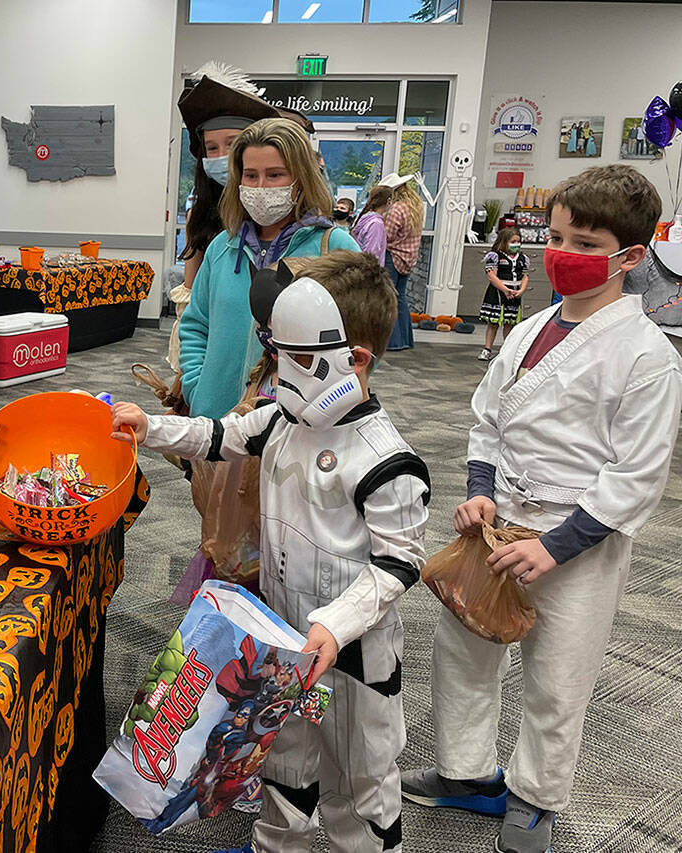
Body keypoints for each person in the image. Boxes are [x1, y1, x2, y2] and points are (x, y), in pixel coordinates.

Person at [402, 165, 682, 853]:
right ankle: (468, 773)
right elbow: (487, 422)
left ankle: (535, 798)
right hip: (501, 523)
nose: (560, 253)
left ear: (632, 257)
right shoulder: (529, 333)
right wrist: (479, 487)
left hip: (578, 536)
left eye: (583, 242)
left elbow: (636, 475)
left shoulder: (648, 356)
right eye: (556, 236)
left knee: (558, 675)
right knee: (462, 648)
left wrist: (556, 545)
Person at [113, 250, 429, 852]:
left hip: (354, 654)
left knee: (359, 777)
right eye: (276, 349)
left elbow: (398, 564)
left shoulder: (386, 460)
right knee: (283, 761)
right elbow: (219, 438)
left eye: (297, 357)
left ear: (354, 359)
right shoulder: (282, 419)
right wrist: (149, 428)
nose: (281, 370)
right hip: (284, 637)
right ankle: (276, 845)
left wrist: (335, 627)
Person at [178, 117, 359, 420]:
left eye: (275, 175)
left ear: (301, 178)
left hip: (300, 428)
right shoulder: (222, 247)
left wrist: (332, 402)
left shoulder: (336, 248)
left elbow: (368, 338)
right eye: (250, 175)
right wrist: (197, 389)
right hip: (216, 426)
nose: (260, 187)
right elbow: (196, 326)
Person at [171, 64, 314, 377]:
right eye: (211, 148)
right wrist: (195, 383)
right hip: (218, 389)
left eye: (274, 174)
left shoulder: (322, 241)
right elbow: (196, 319)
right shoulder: (218, 238)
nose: (222, 156)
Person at [379, 172, 424, 352]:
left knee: (390, 298)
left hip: (394, 256)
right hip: (409, 257)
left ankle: (393, 341)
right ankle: (406, 338)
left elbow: (387, 235)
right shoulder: (416, 206)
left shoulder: (397, 208)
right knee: (401, 298)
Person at [476, 227, 529, 361]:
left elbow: (525, 276)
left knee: (510, 323)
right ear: (504, 241)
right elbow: (491, 276)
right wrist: (505, 289)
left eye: (518, 241)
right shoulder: (495, 256)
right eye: (513, 241)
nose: (516, 244)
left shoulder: (522, 258)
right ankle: (487, 349)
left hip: (514, 294)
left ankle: (506, 351)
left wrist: (521, 290)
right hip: (498, 293)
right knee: (493, 323)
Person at [350, 185, 392, 266]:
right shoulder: (376, 224)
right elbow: (372, 254)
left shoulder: (364, 216)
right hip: (369, 271)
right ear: (388, 201)